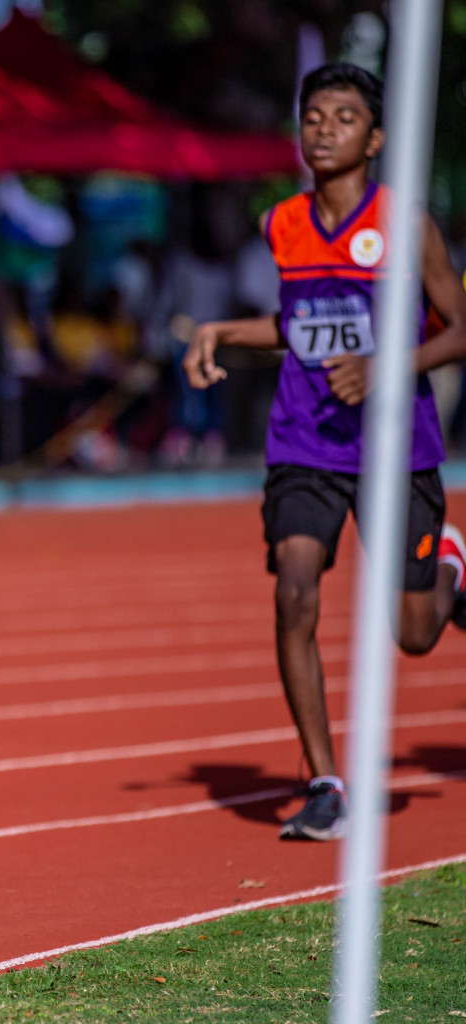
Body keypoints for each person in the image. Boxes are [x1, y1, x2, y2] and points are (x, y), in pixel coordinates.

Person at [184, 62, 466, 842]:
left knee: (413, 633)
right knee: (295, 592)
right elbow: (296, 325)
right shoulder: (283, 224)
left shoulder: (405, 223)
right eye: (313, 115)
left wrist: (386, 365)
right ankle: (325, 782)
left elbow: (459, 325)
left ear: (375, 139)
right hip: (304, 442)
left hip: (396, 449)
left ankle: (450, 565)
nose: (324, 128)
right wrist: (223, 332)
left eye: (344, 117)